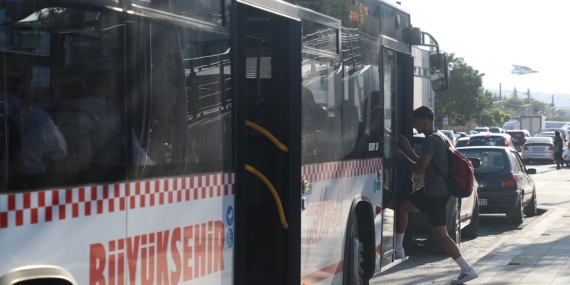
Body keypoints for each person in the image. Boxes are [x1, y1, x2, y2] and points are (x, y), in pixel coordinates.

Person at [395, 106, 478, 284]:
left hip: (434, 193)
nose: (414, 126)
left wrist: (401, 157)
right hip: (439, 191)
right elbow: (423, 161)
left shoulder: (430, 141)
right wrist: (409, 149)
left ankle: (467, 269)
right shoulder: (441, 137)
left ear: (425, 121)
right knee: (404, 209)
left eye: (415, 122)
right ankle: (398, 250)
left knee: (440, 234)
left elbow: (419, 168)